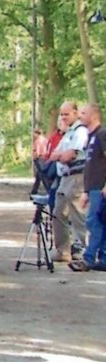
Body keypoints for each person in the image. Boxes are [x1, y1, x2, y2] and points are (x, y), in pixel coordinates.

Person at [50, 101, 89, 264]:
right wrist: (61, 155)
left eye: (66, 114)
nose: (63, 117)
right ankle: (63, 250)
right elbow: (53, 154)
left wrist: (62, 155)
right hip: (64, 177)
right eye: (61, 114)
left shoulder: (81, 132)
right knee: (58, 213)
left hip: (77, 177)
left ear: (75, 113)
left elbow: (69, 155)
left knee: (78, 214)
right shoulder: (68, 133)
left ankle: (84, 251)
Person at [74, 104, 106, 271]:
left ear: (94, 116)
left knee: (94, 222)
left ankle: (88, 258)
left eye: (84, 113)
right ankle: (103, 259)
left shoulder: (102, 134)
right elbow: (90, 166)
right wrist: (86, 191)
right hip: (92, 188)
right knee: (99, 222)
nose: (80, 116)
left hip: (100, 188)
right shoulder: (90, 137)